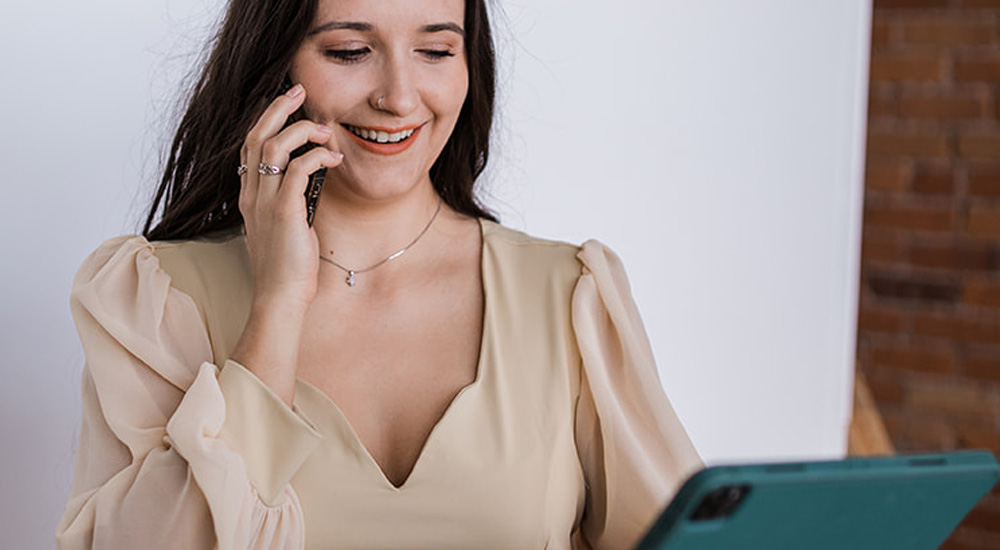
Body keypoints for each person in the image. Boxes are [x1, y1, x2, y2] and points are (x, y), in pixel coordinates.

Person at [56, 0, 701, 548]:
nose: (398, 98)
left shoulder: (566, 296)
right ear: (274, 59)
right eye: (348, 51)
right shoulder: (156, 298)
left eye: (437, 52)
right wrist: (279, 303)